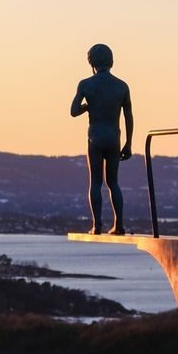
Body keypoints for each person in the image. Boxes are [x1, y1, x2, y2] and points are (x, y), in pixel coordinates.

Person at [70, 43, 133, 234]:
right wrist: (129, 143)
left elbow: (73, 111)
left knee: (95, 182)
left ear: (92, 62)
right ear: (111, 61)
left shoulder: (86, 84)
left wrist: (88, 107)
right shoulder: (122, 86)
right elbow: (128, 116)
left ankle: (97, 225)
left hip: (95, 137)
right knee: (113, 182)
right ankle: (119, 224)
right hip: (114, 137)